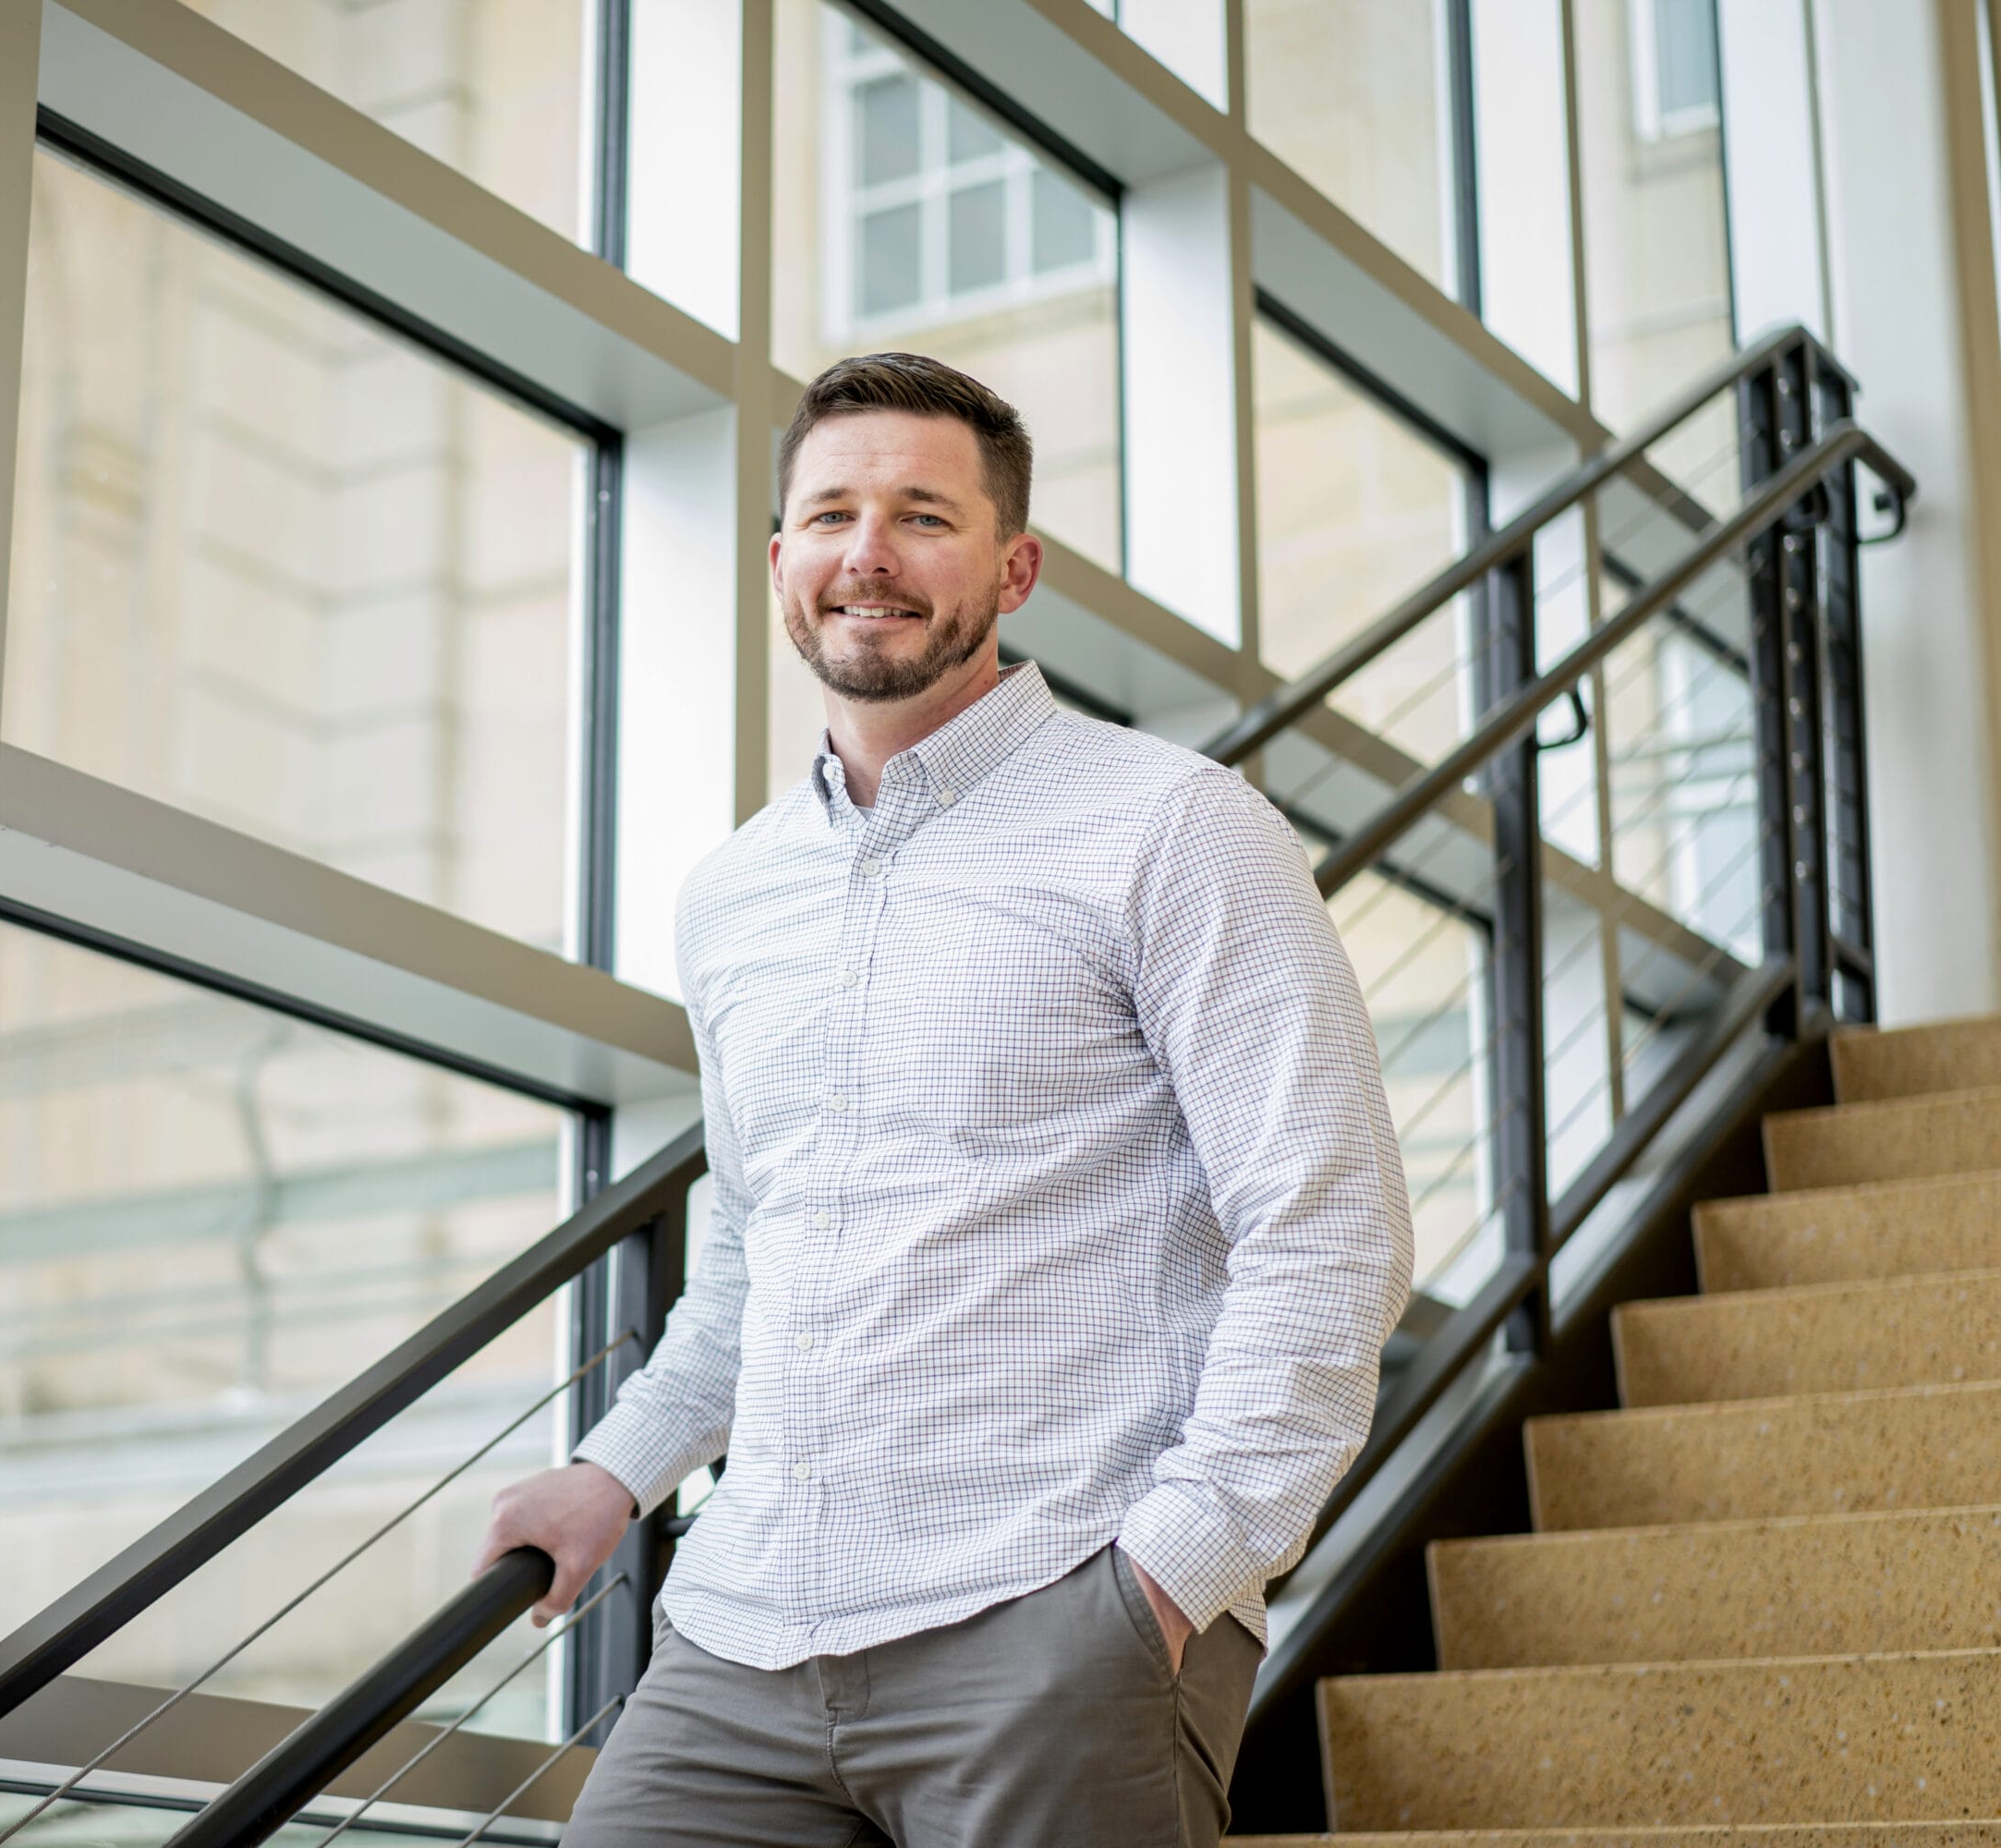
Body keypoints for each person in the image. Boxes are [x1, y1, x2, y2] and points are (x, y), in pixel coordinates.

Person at [474, 352, 1413, 1845]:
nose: (870, 556)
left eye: (923, 515)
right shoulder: (732, 894)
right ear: (781, 564)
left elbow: (1329, 1227)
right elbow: (751, 1262)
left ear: (1014, 565)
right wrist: (617, 1470)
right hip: (740, 1634)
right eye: (832, 515)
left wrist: (1171, 1572)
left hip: (1055, 1613)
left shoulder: (1174, 828)